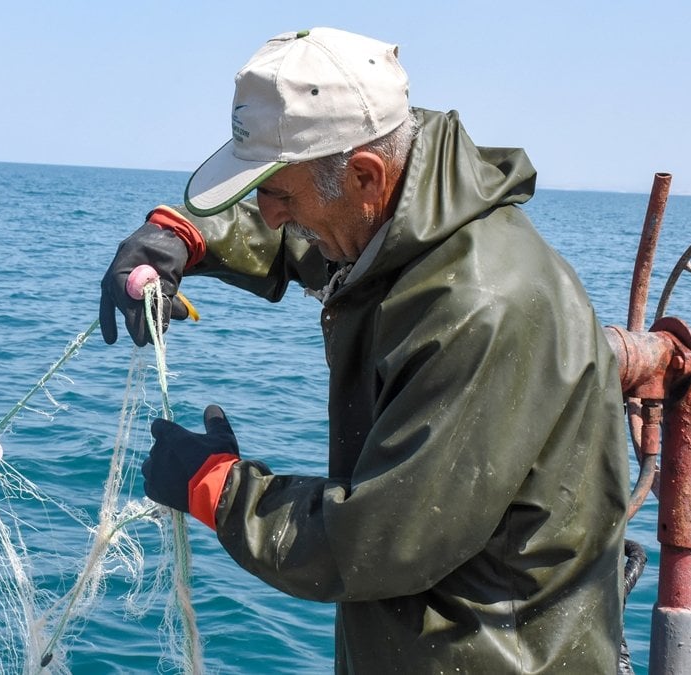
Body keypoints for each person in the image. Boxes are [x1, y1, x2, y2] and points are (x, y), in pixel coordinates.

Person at [99, 27, 629, 673]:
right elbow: (308, 238)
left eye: (279, 193)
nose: (266, 212)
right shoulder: (398, 223)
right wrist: (185, 236)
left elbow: (377, 540)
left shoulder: (478, 308)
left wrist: (215, 486)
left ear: (365, 174)